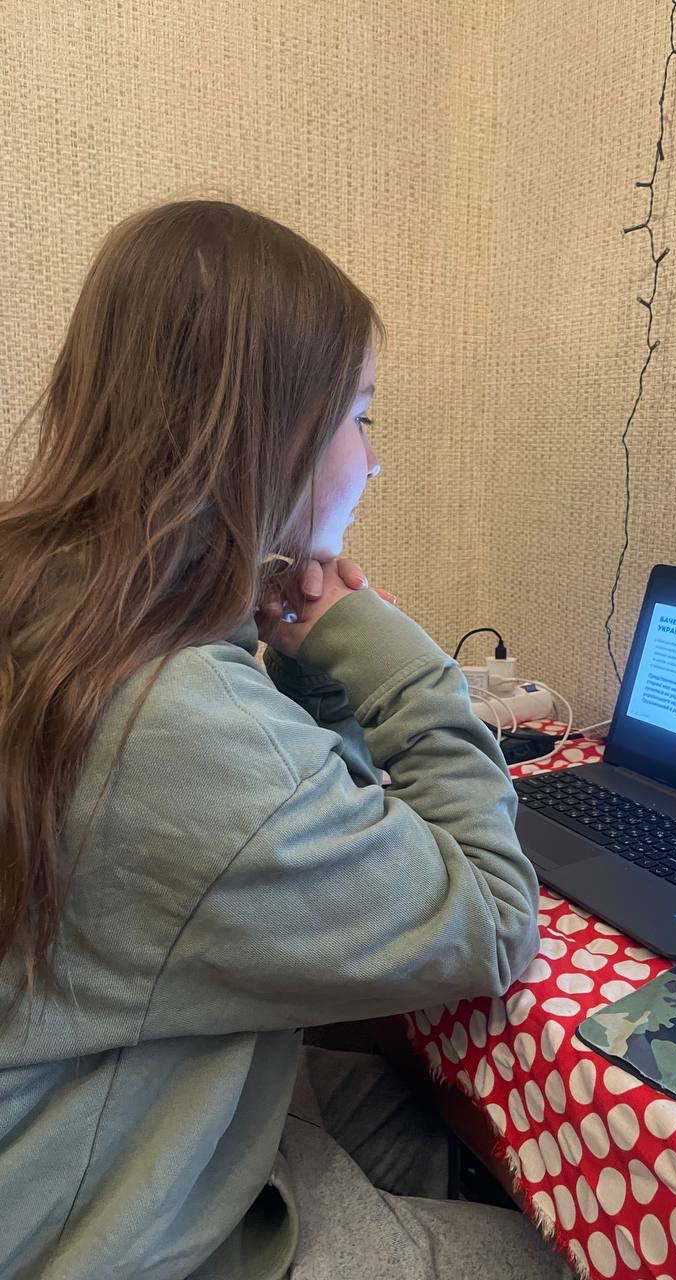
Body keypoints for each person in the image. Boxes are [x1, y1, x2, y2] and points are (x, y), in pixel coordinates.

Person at [0, 201, 571, 1279]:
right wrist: (401, 664)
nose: (374, 461)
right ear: (269, 435)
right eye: (361, 416)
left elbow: (282, 834)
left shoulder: (57, 601)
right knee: (564, 1255)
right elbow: (494, 921)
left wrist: (315, 679)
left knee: (410, 1111)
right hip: (95, 1229)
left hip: (114, 1110)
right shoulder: (173, 716)